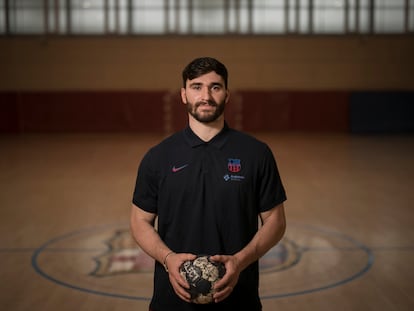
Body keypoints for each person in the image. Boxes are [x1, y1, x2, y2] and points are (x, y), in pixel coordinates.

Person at [130, 57, 287, 311]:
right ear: (183, 95)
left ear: (227, 94)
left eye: (215, 87)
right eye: (196, 87)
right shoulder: (158, 157)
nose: (206, 95)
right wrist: (168, 259)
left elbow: (276, 222)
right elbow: (139, 221)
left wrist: (239, 260)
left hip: (238, 300)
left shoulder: (256, 154)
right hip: (172, 302)